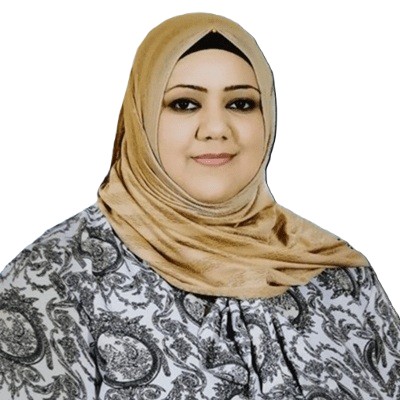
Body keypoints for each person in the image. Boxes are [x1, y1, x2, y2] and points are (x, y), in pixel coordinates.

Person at [0, 12, 399, 400]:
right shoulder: (53, 279)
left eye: (241, 104)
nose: (216, 129)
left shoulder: (334, 272)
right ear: (141, 117)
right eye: (184, 104)